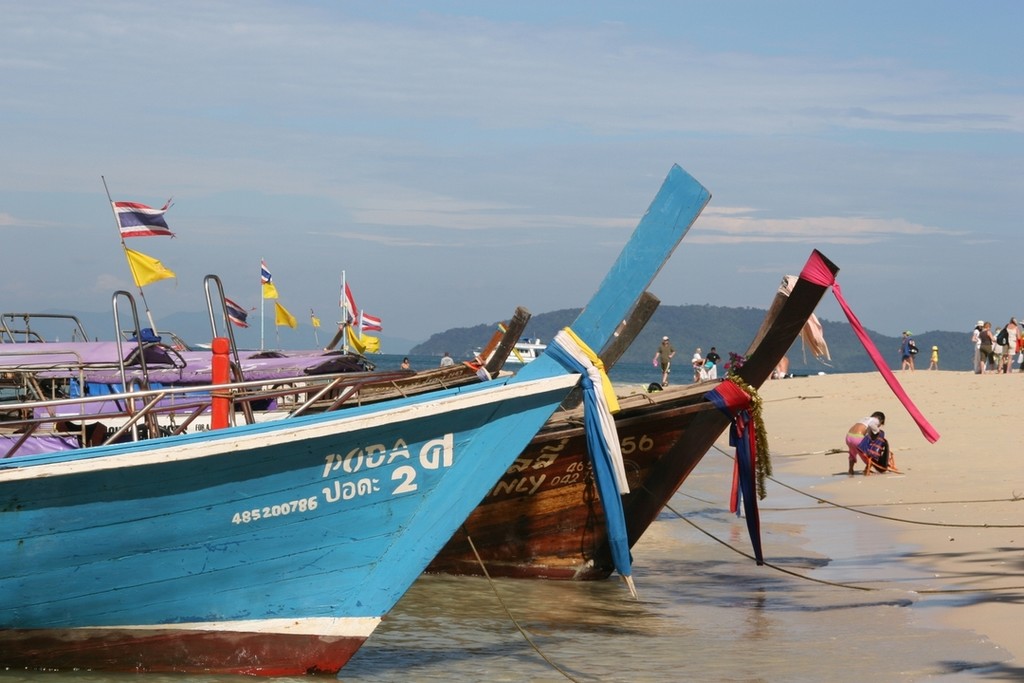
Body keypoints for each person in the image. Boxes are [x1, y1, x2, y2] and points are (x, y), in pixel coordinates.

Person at [846, 411, 885, 476]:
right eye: (880, 424)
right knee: (869, 455)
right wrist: (878, 431)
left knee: (852, 453)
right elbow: (871, 425)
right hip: (857, 438)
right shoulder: (875, 420)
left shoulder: (865, 418)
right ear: (881, 420)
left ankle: (850, 470)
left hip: (848, 437)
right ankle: (867, 470)